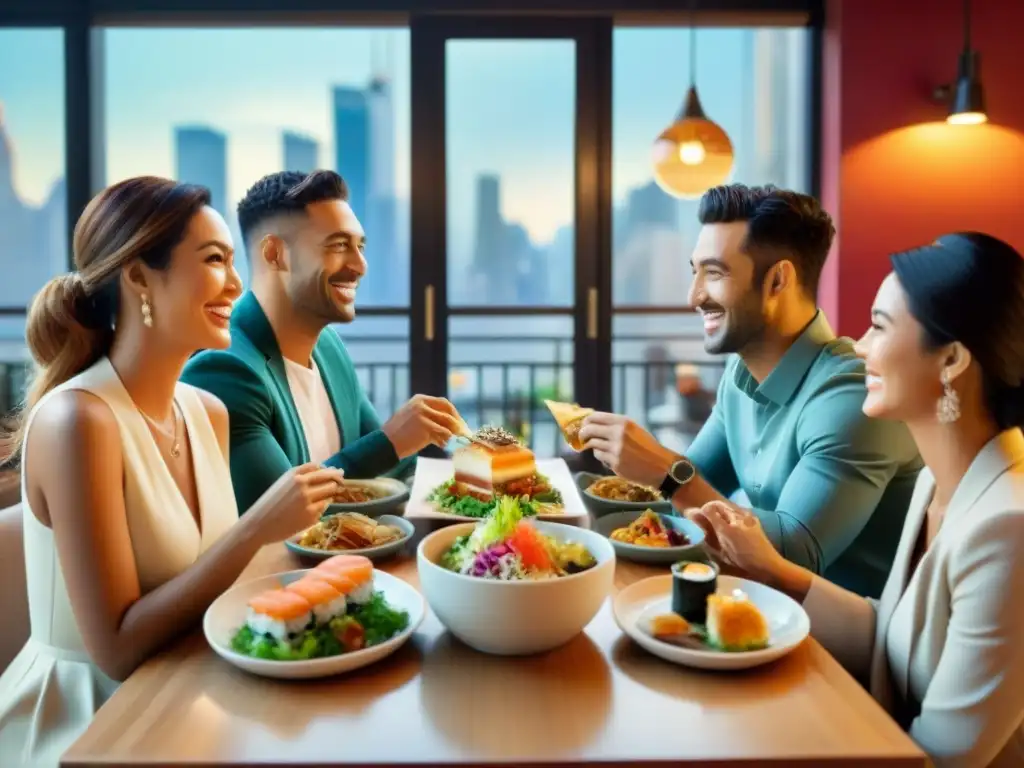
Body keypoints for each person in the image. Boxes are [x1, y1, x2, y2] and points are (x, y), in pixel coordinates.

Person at [0, 177, 345, 767]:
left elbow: (218, 590)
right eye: (214, 260)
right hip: (91, 726)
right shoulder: (79, 422)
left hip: (191, 693)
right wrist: (257, 527)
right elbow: (115, 650)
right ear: (137, 277)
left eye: (234, 261)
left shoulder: (205, 411)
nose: (236, 285)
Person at [688, 232, 1024, 768]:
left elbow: (941, 758)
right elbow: (889, 636)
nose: (860, 345)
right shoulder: (937, 482)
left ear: (953, 359)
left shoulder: (1009, 531)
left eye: (880, 326)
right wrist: (772, 569)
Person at [579, 184, 922, 598]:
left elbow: (793, 554)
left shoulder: (849, 396)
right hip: (757, 605)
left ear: (777, 281)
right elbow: (696, 484)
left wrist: (667, 471)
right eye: (695, 272)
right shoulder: (740, 372)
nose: (694, 296)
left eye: (715, 273)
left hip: (842, 647)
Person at [181, 170, 463, 515]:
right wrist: (391, 442)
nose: (360, 265)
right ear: (274, 254)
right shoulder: (223, 370)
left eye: (360, 246)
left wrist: (476, 484)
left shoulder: (329, 347)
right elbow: (281, 520)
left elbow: (389, 466)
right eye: (339, 245)